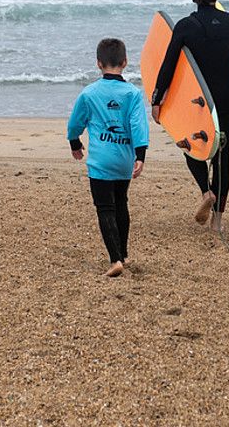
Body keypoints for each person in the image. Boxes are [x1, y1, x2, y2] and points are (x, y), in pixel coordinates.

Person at [152, 0, 229, 235]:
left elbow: (167, 66)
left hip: (196, 101)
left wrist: (158, 99)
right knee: (222, 158)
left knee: (192, 148)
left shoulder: (186, 26)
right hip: (225, 101)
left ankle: (205, 192)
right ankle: (218, 222)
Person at [68, 37, 149, 277]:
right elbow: (138, 125)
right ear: (125, 62)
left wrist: (74, 141)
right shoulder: (133, 94)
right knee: (121, 202)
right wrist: (140, 154)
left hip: (100, 161)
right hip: (124, 158)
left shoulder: (90, 93)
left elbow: (76, 122)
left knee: (105, 208)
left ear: (98, 64)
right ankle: (122, 253)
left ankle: (115, 260)